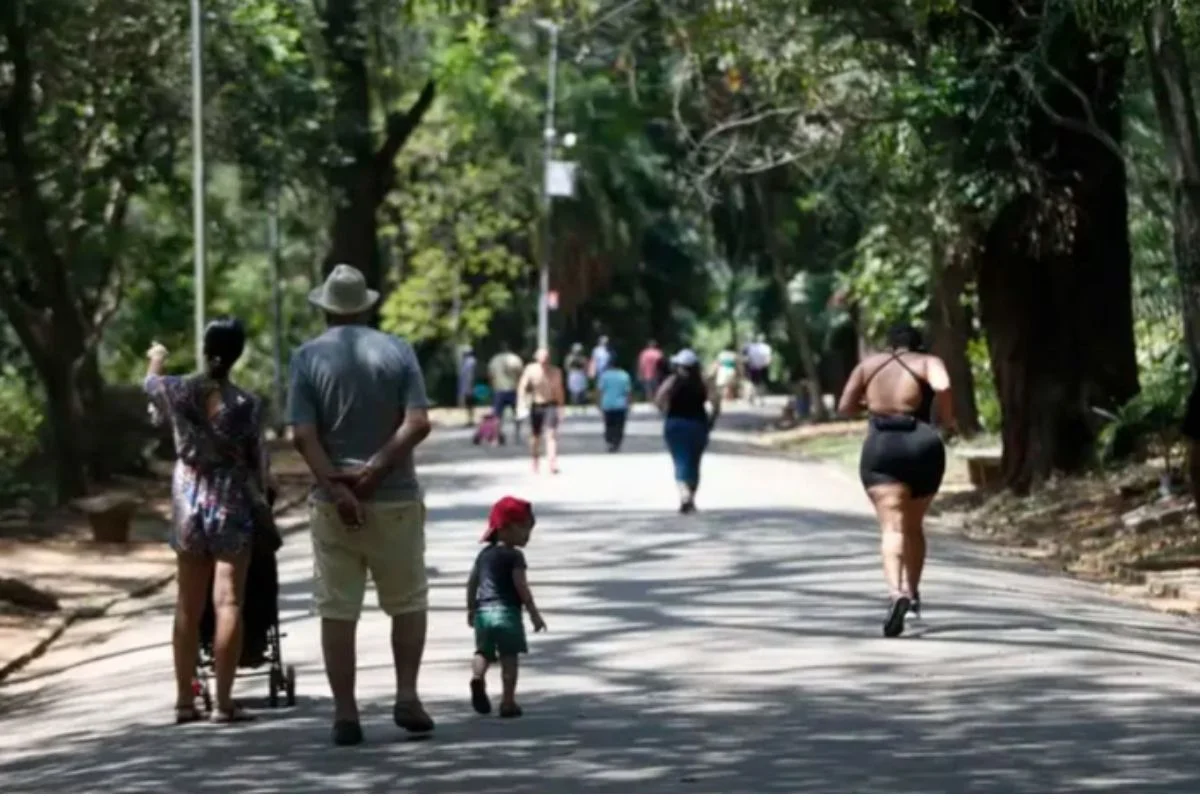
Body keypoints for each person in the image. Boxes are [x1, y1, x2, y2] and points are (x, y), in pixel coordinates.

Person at [287, 264, 435, 746]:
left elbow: (302, 435)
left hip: (333, 506)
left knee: (338, 608)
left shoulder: (306, 358)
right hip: (394, 497)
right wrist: (373, 472)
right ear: (367, 306)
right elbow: (417, 423)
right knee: (408, 600)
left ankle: (345, 714)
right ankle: (408, 695)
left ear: (326, 307)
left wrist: (338, 487)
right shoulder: (398, 351)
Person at [144, 319, 274, 725]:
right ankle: (223, 702)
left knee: (188, 601)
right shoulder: (247, 405)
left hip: (189, 495)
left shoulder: (178, 389)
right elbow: (258, 462)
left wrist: (157, 358)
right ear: (238, 354)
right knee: (229, 601)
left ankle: (185, 701)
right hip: (231, 498)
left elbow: (148, 384)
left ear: (205, 348)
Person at [836, 322, 955, 639]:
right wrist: (948, 418)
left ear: (890, 344)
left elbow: (844, 407)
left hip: (881, 446)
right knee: (914, 525)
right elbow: (942, 386)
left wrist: (870, 403)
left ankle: (895, 592)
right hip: (922, 444)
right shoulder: (929, 362)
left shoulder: (868, 366)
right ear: (919, 344)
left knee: (892, 527)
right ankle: (913, 593)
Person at [467, 496, 546, 719]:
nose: (528, 537)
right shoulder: (515, 556)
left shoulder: (483, 555)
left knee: (483, 652)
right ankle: (508, 702)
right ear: (506, 528)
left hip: (484, 613)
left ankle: (477, 677)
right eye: (524, 530)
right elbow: (521, 586)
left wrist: (471, 608)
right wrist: (534, 614)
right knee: (509, 657)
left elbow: (472, 582)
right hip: (508, 614)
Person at [656, 349, 720, 513]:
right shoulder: (703, 382)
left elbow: (659, 399)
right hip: (698, 424)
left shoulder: (672, 381)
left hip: (675, 424)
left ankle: (685, 495)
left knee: (680, 460)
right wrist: (712, 419)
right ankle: (690, 496)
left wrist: (665, 412)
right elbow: (716, 402)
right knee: (694, 461)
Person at [517, 348, 566, 474]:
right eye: (541, 359)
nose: (544, 362)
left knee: (551, 434)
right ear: (537, 358)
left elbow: (559, 390)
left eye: (546, 359)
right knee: (535, 436)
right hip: (536, 405)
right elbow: (522, 386)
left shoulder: (556, 372)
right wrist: (521, 402)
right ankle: (535, 459)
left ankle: (552, 463)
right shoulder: (531, 370)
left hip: (550, 404)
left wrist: (561, 407)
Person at [597, 351, 633, 452]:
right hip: (620, 405)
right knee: (619, 425)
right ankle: (616, 442)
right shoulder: (624, 375)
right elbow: (628, 392)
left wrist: (598, 403)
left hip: (607, 404)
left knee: (609, 425)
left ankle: (610, 441)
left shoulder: (604, 376)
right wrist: (629, 403)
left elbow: (600, 391)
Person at [489, 343, 525, 444]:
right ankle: (517, 435)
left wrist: (493, 387)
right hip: (513, 389)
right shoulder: (516, 359)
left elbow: (491, 375)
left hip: (499, 390)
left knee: (497, 415)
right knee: (517, 414)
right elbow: (520, 375)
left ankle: (496, 437)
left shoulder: (494, 359)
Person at [744, 334, 773, 406]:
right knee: (762, 384)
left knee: (753, 383)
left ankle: (752, 398)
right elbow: (768, 359)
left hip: (753, 367)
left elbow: (748, 359)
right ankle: (761, 399)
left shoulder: (751, 347)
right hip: (763, 367)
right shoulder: (767, 347)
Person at [565, 343, 590, 411]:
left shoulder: (583, 358)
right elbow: (567, 367)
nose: (578, 352)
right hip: (573, 375)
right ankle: (574, 406)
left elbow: (586, 367)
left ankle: (582, 406)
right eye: (576, 350)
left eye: (579, 350)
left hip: (581, 375)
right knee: (574, 392)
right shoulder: (570, 357)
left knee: (582, 391)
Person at [458, 345, 478, 427]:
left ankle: (471, 420)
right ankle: (470, 419)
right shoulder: (467, 362)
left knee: (470, 404)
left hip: (469, 387)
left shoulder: (470, 362)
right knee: (469, 405)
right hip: (467, 387)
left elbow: (470, 376)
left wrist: (470, 386)